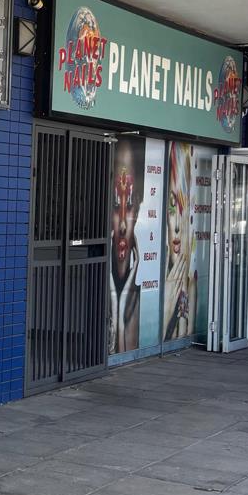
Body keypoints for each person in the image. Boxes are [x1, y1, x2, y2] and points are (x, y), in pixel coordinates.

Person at [111, 138, 143, 353]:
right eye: (116, 205)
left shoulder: (140, 300)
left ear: (138, 208)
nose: (123, 225)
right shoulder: (97, 286)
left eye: (129, 204)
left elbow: (123, 356)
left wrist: (121, 303)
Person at [163, 145, 195, 342]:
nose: (176, 227)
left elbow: (184, 336)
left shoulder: (192, 284)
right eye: (171, 208)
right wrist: (166, 309)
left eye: (183, 208)